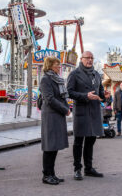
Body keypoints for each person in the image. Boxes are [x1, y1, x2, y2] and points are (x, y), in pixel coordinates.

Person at [67, 51, 109, 180]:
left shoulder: (96, 74)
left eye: (92, 58)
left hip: (95, 111)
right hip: (81, 110)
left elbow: (100, 91)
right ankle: (77, 169)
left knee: (91, 141)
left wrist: (104, 96)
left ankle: (89, 168)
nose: (90, 60)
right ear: (82, 59)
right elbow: (69, 92)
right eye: (87, 58)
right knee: (79, 142)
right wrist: (85, 96)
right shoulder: (74, 74)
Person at [39, 57, 71, 185]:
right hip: (51, 115)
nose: (59, 67)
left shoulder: (57, 79)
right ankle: (46, 175)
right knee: (49, 146)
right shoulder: (45, 79)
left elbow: (61, 97)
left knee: (55, 146)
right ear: (50, 66)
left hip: (57, 115)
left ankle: (52, 173)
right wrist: (65, 109)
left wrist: (65, 107)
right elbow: (49, 99)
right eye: (57, 65)